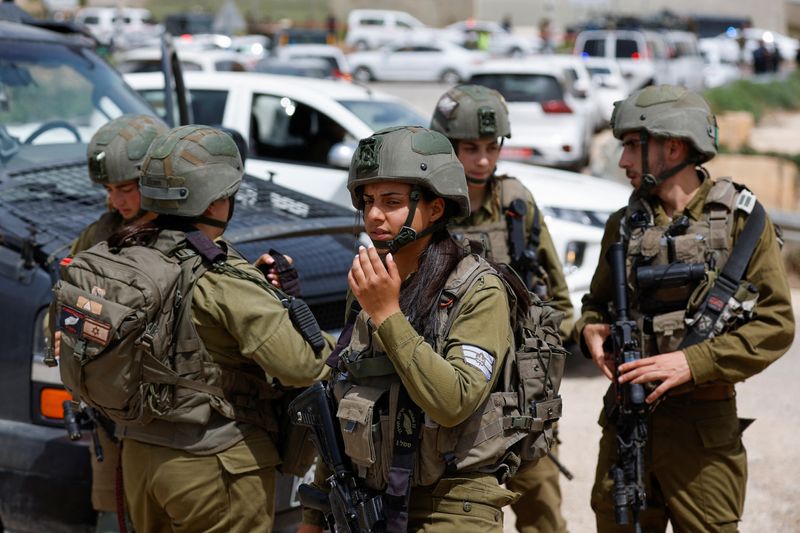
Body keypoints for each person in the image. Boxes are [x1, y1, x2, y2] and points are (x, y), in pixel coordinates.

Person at [91, 125, 331, 532]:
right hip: (212, 465)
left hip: (140, 455)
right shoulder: (219, 275)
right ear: (220, 198)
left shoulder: (123, 254)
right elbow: (302, 366)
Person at [576, 85, 794, 532]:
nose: (623, 162)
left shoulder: (741, 221)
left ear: (672, 146)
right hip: (626, 420)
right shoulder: (624, 224)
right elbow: (596, 303)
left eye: (633, 147)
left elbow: (776, 323)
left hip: (701, 431)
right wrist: (590, 330)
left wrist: (692, 362)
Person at [300, 126, 527, 532]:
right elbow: (339, 396)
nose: (373, 215)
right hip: (370, 499)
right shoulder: (372, 284)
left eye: (392, 202)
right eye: (368, 200)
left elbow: (454, 399)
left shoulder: (479, 290)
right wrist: (314, 513)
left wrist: (388, 315)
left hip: (450, 504)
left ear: (436, 209)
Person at [431, 84, 573, 533]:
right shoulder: (427, 209)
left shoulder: (516, 203)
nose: (483, 160)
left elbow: (559, 299)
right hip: (456, 394)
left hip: (521, 398)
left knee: (543, 510)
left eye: (492, 148)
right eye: (470, 148)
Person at [73, 113, 168, 532]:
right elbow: (66, 303)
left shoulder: (185, 236)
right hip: (113, 419)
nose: (118, 201)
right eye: (110, 190)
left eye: (126, 189)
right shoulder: (99, 234)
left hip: (169, 426)